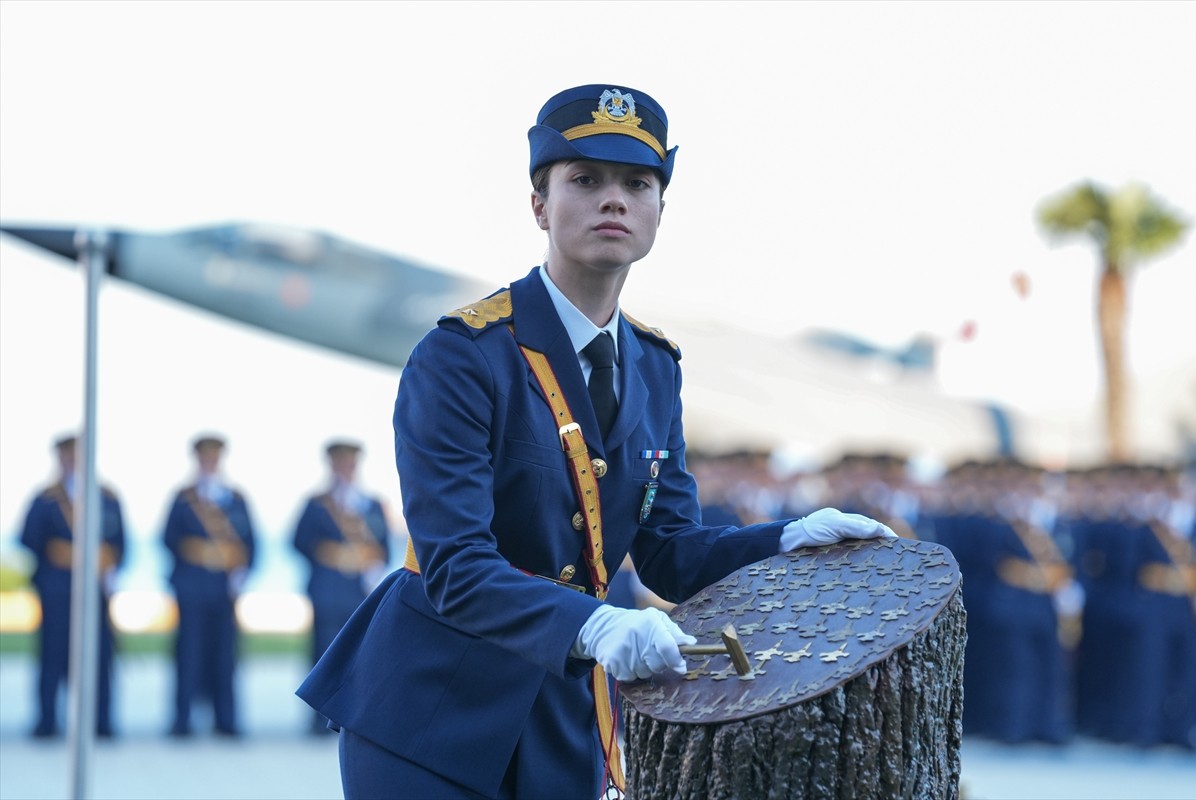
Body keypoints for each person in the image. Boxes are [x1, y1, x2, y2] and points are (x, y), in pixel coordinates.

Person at [297, 83, 896, 800]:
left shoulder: (654, 367)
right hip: (432, 709)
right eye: (585, 180)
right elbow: (455, 565)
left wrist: (784, 545)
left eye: (636, 184)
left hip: (559, 714)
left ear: (659, 212)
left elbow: (669, 552)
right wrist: (598, 624)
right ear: (539, 205)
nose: (613, 200)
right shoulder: (464, 354)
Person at [19, 434, 125, 738]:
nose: (73, 462)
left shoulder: (106, 498)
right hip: (57, 590)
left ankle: (101, 722)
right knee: (52, 657)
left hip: (94, 590)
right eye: (68, 457)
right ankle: (47, 721)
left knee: (100, 658)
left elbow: (119, 543)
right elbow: (29, 539)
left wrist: (109, 568)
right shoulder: (45, 499)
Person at [292, 440, 391, 734]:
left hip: (358, 591)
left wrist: (371, 566)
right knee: (323, 652)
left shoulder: (371, 504)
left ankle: (351, 717)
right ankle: (318, 719)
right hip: (327, 587)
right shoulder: (317, 504)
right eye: (340, 464)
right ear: (332, 466)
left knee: (359, 655)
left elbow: (382, 547)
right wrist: (330, 556)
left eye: (350, 464)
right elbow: (298, 542)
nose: (345, 470)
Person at [162, 434, 257, 737]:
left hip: (223, 589)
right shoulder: (183, 498)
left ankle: (225, 720)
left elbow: (250, 544)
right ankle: (182, 720)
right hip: (192, 586)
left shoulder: (236, 499)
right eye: (205, 458)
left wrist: (240, 573)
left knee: (225, 657)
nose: (209, 464)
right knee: (188, 655)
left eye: (214, 458)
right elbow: (169, 540)